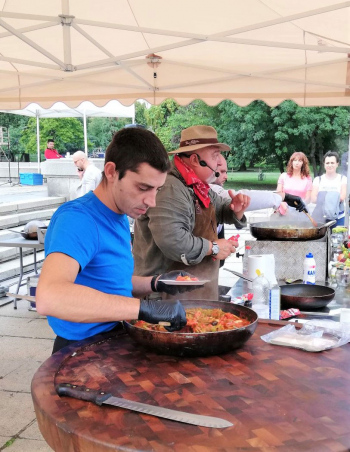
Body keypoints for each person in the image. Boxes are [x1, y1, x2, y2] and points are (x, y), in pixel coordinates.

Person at [36, 128, 196, 354]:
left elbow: (109, 283)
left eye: (157, 190)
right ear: (111, 171)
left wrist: (155, 283)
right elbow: (49, 297)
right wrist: (144, 308)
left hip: (115, 339)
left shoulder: (120, 213)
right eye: (143, 188)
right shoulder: (78, 219)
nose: (152, 201)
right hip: (82, 352)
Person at [133, 125, 252, 301]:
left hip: (191, 297)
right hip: (163, 299)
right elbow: (174, 241)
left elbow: (220, 208)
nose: (219, 162)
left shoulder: (197, 185)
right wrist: (214, 247)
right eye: (215, 155)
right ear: (196, 160)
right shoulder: (171, 188)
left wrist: (236, 210)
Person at [311, 151, 347, 228]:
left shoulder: (343, 179)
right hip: (321, 218)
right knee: (321, 239)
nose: (330, 165)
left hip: (338, 217)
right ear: (324, 164)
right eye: (327, 163)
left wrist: (322, 195)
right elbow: (313, 199)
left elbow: (342, 197)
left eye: (332, 163)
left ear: (337, 164)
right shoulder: (318, 180)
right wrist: (333, 196)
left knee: (337, 239)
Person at [276, 152, 312, 216]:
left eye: (300, 161)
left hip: (300, 213)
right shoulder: (283, 176)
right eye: (295, 160)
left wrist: (300, 207)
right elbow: (278, 194)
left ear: (303, 163)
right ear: (291, 162)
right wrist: (285, 208)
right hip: (283, 212)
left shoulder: (308, 179)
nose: (297, 163)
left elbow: (308, 198)